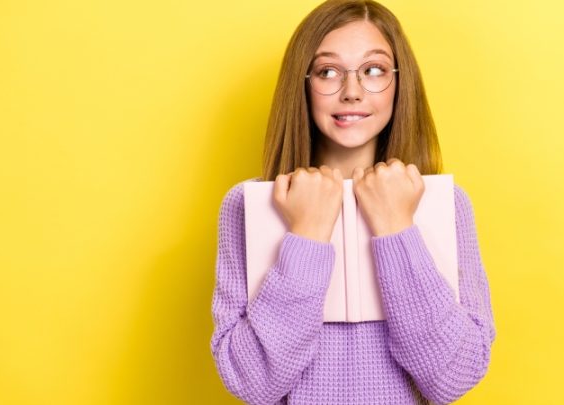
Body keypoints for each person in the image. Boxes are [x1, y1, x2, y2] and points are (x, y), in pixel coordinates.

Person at [210, 1, 496, 404]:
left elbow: (453, 376)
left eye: (374, 70)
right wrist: (307, 235)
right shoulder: (245, 206)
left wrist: (397, 228)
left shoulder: (446, 205)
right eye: (328, 72)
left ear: (400, 83)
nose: (352, 92)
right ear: (303, 83)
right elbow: (253, 383)